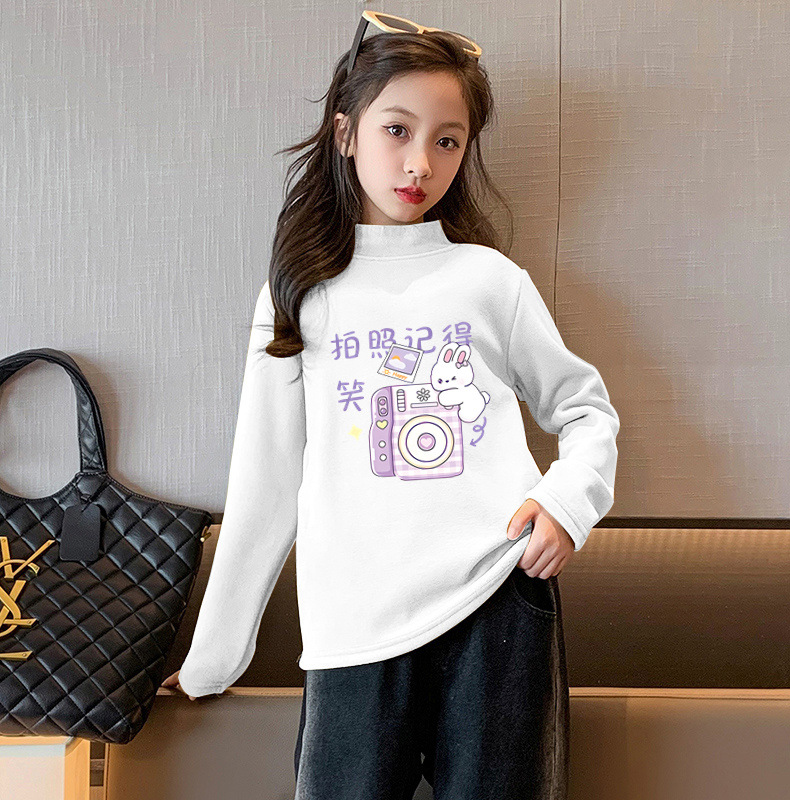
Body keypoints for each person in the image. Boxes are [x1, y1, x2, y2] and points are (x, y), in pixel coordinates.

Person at [162, 11, 620, 799]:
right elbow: (266, 484)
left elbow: (586, 409)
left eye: (448, 140)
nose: (420, 163)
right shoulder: (299, 294)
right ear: (346, 133)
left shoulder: (489, 280)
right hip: (354, 620)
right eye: (397, 130)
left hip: (497, 596)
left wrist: (565, 504)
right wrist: (214, 659)